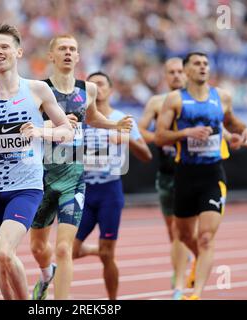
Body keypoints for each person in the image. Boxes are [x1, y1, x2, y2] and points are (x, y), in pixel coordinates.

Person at [0, 23, 73, 300]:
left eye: (4, 46)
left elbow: (67, 131)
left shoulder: (37, 90)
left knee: (5, 253)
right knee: (1, 262)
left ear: (18, 52)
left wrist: (41, 131)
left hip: (26, 187)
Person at [30, 35, 133, 300]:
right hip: (42, 179)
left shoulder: (88, 90)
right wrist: (55, 127)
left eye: (72, 49)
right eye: (62, 48)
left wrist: (114, 125)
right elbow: (28, 129)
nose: (68, 53)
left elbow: (94, 116)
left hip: (74, 179)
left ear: (78, 57)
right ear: (51, 56)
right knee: (39, 247)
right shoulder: (37, 89)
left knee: (64, 249)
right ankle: (45, 273)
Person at [155, 52, 247, 300]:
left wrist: (246, 130)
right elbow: (159, 136)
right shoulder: (175, 100)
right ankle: (195, 265)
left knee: (207, 237)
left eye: (205, 64)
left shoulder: (221, 97)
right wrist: (186, 132)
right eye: (197, 64)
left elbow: (231, 122)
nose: (202, 67)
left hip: (213, 175)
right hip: (185, 174)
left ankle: (196, 294)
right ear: (186, 70)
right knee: (184, 235)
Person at [72, 71, 152, 300]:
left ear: (110, 90)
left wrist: (125, 138)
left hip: (109, 192)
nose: (96, 88)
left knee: (108, 257)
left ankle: (113, 301)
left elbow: (146, 155)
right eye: (92, 85)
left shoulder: (122, 119)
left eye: (101, 84)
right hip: (84, 192)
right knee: (70, 251)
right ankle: (103, 250)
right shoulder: (77, 119)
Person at [138, 57, 193, 300]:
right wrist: (160, 138)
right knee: (173, 232)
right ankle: (181, 265)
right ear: (165, 75)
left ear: (187, 73)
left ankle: (179, 282)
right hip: (167, 174)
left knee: (186, 231)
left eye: (180, 71)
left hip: (191, 173)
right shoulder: (157, 101)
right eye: (171, 72)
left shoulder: (196, 101)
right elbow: (139, 129)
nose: (177, 76)